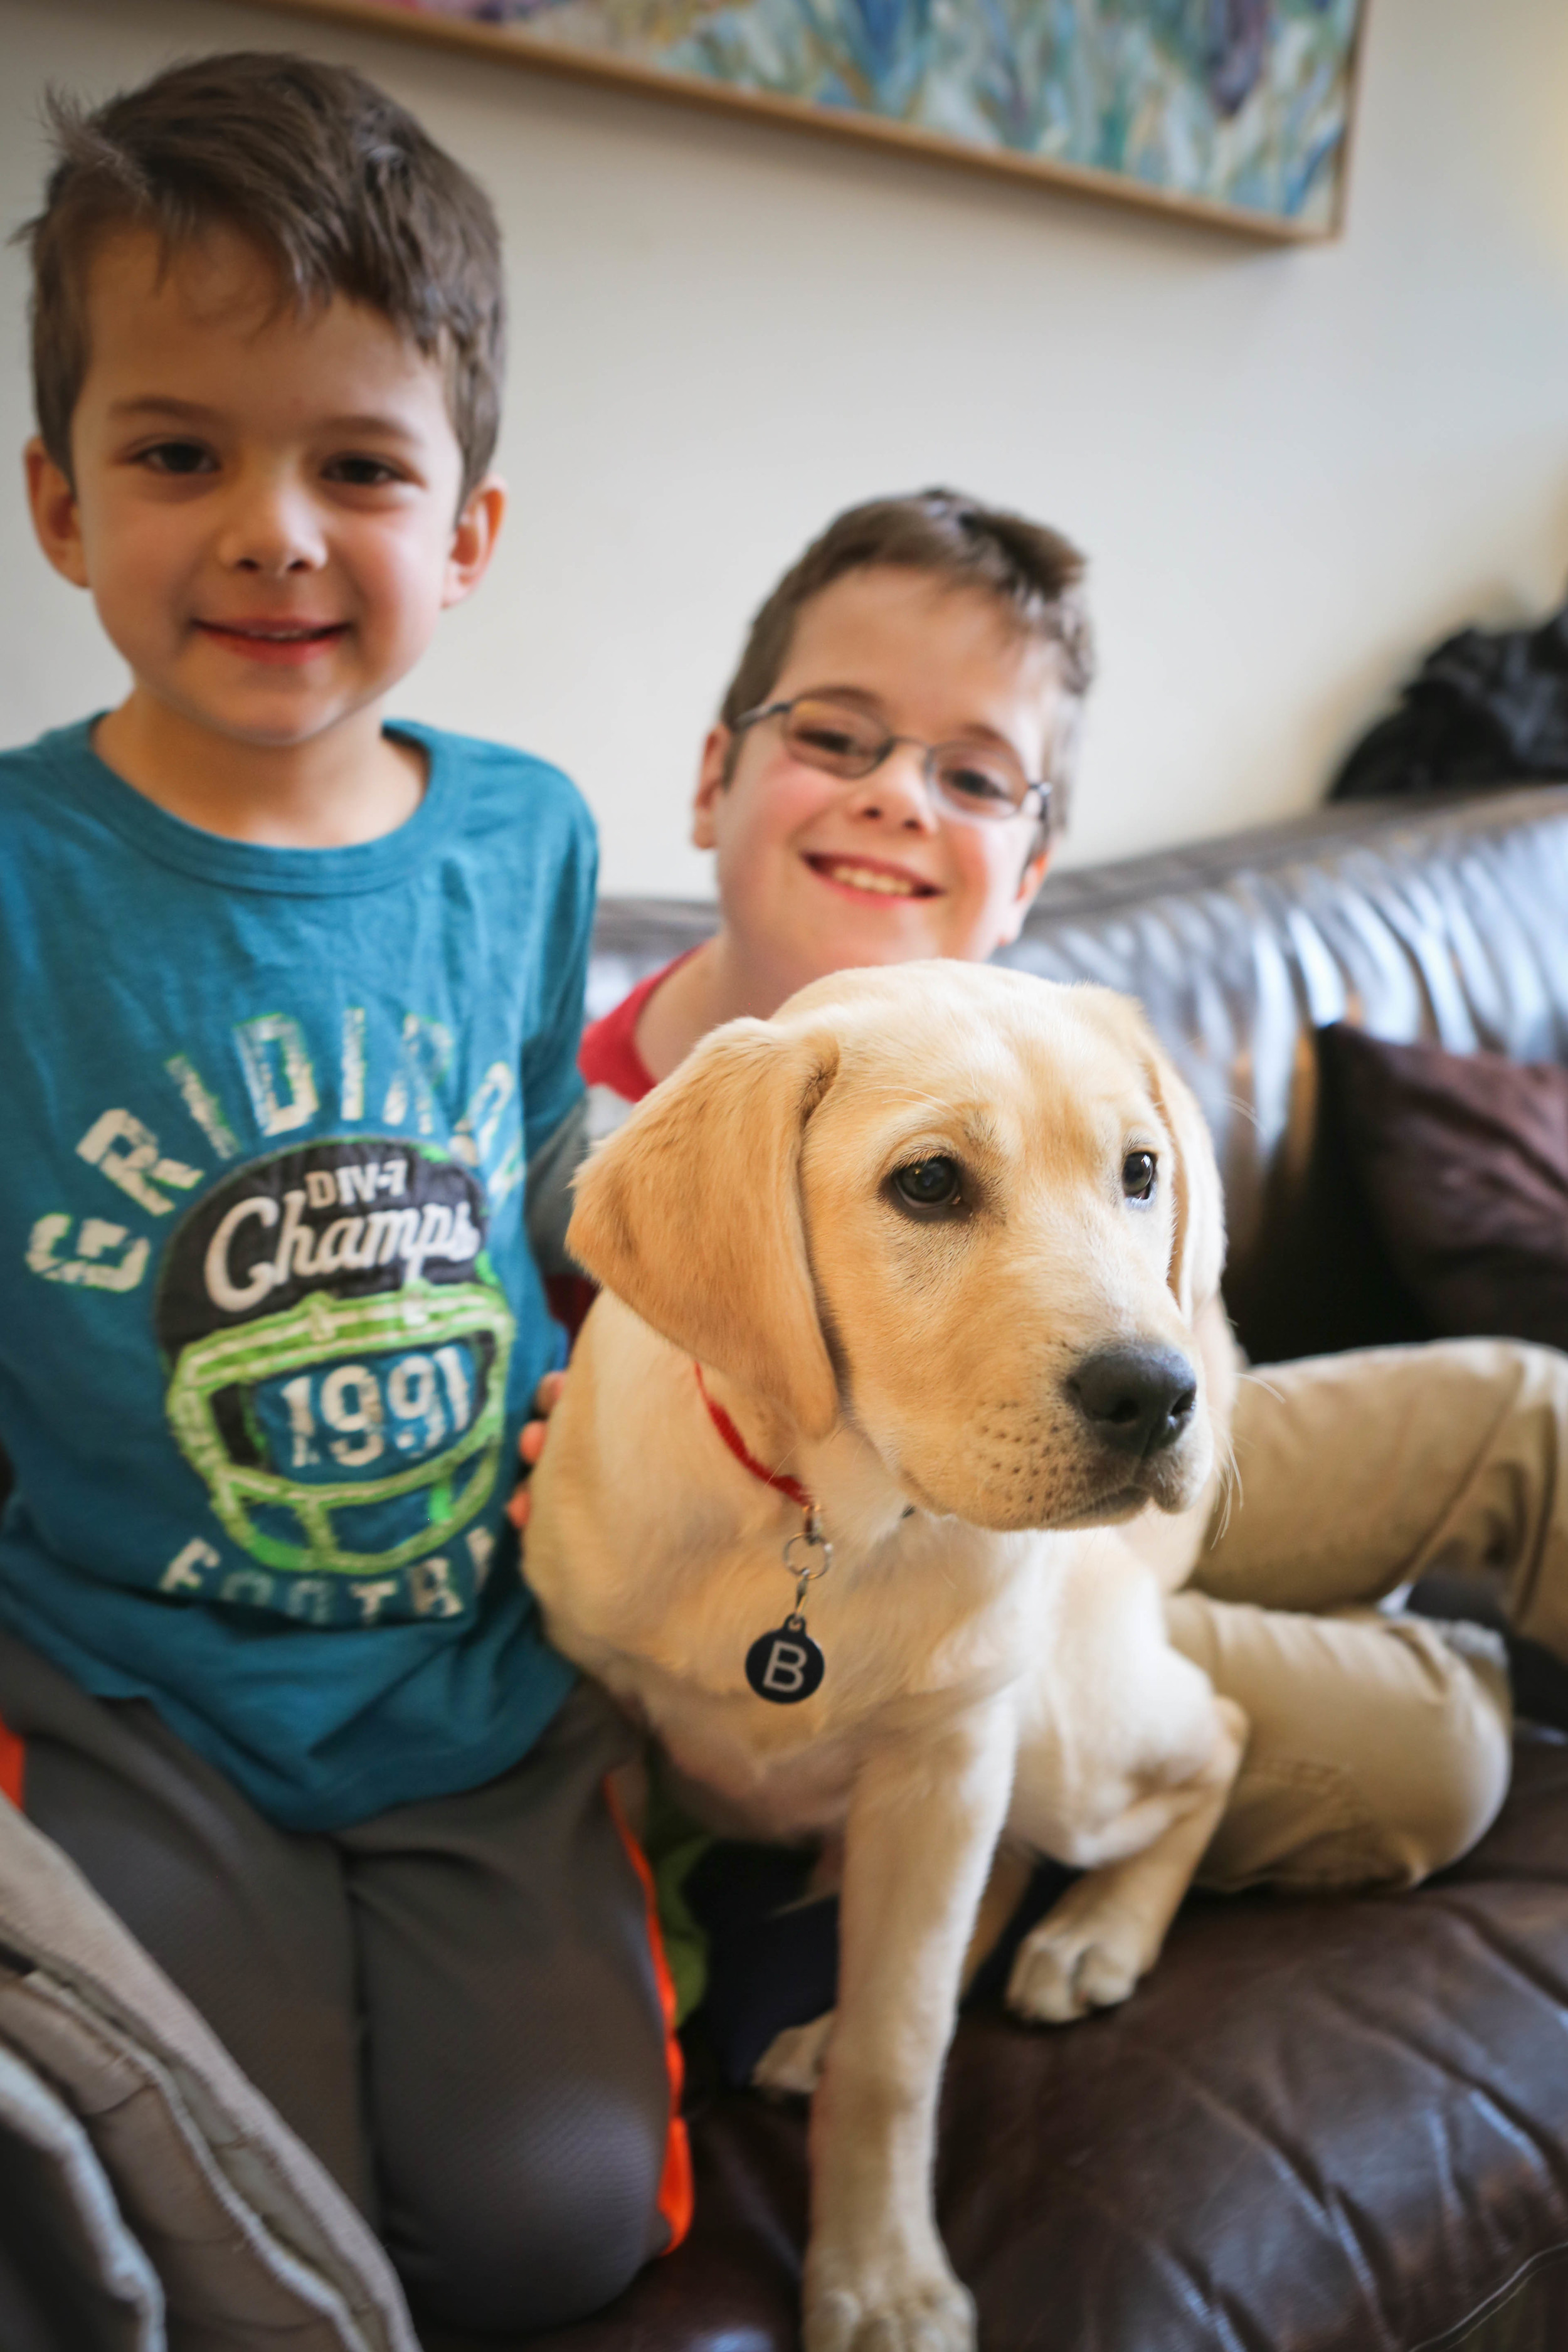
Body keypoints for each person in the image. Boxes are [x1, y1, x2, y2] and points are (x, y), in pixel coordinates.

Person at [0, 53, 688, 2336]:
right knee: (240, 2227)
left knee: (559, 2220)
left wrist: (610, 1416)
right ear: (59, 505)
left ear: (466, 532)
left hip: (474, 1682)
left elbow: (549, 1191)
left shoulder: (528, 840)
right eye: (182, 452)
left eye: (360, 465)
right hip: (134, 1687)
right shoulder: (13, 877)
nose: (275, 528)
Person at [538, 487, 1568, 1910]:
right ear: (714, 778)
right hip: (969, 1553)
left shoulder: (1068, 1046)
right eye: (835, 736)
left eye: (973, 777)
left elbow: (1167, 1304)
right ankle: (1431, 1655)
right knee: (1434, 1754)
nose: (899, 793)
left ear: (1025, 872)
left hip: (1171, 1425)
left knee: (1533, 1410)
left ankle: (1373, 1605)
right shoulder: (568, 1130)